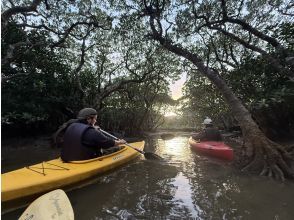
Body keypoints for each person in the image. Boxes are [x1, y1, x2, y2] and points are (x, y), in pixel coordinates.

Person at [60, 108, 126, 162]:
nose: (95, 121)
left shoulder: (71, 126)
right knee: (116, 148)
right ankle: (121, 147)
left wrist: (93, 128)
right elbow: (107, 143)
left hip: (67, 158)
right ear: (89, 119)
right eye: (95, 119)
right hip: (83, 160)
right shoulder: (92, 132)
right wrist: (120, 142)